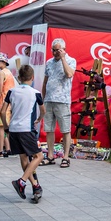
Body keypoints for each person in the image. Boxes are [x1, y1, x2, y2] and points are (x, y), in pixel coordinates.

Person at [1, 65, 45, 203]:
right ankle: (22, 181)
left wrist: (7, 127)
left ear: (18, 78)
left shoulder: (11, 92)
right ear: (32, 78)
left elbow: (2, 112)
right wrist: (39, 119)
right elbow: (42, 110)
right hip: (26, 129)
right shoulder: (35, 93)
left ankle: (36, 186)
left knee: (24, 159)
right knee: (39, 156)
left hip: (13, 129)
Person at [41, 39, 77, 168]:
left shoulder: (71, 60)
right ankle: (50, 155)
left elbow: (69, 74)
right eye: (53, 50)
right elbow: (45, 81)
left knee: (65, 130)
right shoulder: (49, 63)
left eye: (58, 50)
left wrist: (63, 59)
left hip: (62, 100)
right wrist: (43, 100)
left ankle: (66, 157)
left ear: (64, 49)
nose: (55, 52)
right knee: (49, 129)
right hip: (49, 100)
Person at [0, 53, 15, 158]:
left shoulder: (1, 73)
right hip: (9, 102)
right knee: (6, 126)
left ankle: (0, 150)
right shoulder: (9, 72)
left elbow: (0, 89)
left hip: (2, 102)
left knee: (1, 127)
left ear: (4, 62)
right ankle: (8, 148)